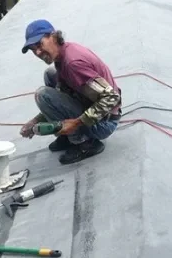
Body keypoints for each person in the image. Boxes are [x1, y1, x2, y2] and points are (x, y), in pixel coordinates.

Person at [19, 19, 121, 165]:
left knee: (42, 95)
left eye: (39, 45)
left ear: (53, 36)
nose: (37, 52)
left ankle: (85, 143)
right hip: (93, 108)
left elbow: (112, 98)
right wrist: (35, 121)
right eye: (33, 49)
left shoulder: (72, 63)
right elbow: (62, 95)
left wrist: (76, 123)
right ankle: (68, 136)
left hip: (104, 123)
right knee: (50, 74)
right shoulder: (63, 55)